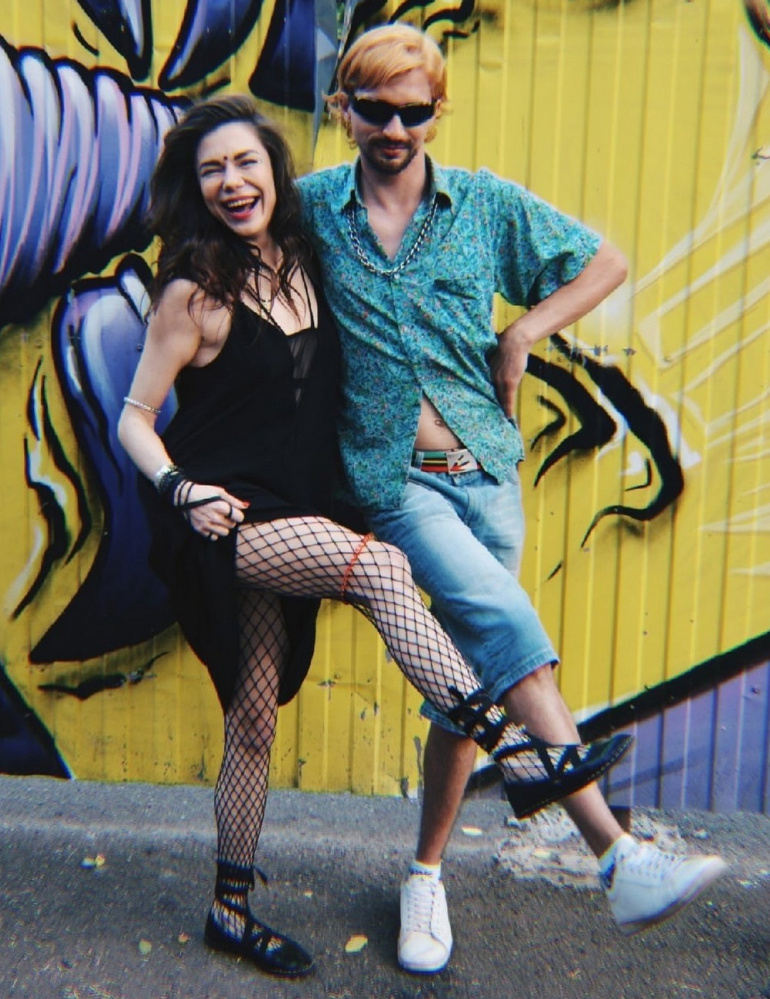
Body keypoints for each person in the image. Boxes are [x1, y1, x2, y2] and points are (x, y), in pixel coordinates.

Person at [117, 95, 632, 979]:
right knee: (379, 564)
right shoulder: (192, 293)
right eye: (212, 171)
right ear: (195, 190)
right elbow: (134, 416)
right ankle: (516, 753)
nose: (232, 182)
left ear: (275, 173)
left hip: (296, 505)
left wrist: (511, 338)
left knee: (252, 722)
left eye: (246, 163)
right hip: (223, 518)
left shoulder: (308, 258)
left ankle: (227, 910)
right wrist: (180, 488)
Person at [298, 24, 728, 975]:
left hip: (489, 475)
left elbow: (604, 261)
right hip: (393, 484)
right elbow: (227, 255)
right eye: (375, 109)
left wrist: (525, 331)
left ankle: (424, 874)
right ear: (344, 109)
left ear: (437, 112)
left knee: (470, 688)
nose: (395, 129)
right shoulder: (310, 209)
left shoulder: (484, 205)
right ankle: (615, 853)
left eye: (414, 111)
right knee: (500, 619)